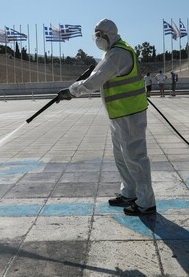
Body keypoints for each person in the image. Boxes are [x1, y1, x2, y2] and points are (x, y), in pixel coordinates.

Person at [57, 18, 156, 216]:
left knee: (135, 157)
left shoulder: (118, 54)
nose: (97, 38)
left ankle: (146, 202)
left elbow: (94, 81)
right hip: (119, 113)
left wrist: (71, 91)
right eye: (96, 35)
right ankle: (129, 193)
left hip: (130, 113)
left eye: (100, 34)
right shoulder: (111, 53)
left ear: (109, 34)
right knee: (121, 156)